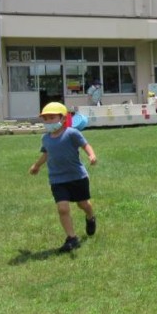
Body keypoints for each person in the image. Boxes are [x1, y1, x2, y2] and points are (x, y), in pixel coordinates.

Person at [28, 102, 98, 253]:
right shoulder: (46, 138)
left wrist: (91, 155)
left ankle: (90, 216)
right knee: (63, 208)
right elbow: (46, 153)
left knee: (83, 204)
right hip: (57, 179)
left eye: (52, 118)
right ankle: (72, 239)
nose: (48, 122)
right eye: (45, 119)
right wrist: (37, 165)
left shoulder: (72, 133)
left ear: (62, 118)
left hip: (77, 176)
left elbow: (85, 145)